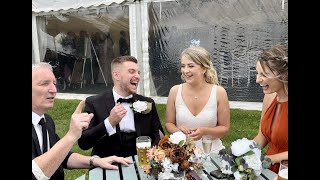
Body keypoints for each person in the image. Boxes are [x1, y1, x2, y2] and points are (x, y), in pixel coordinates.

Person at [32, 62, 132, 180]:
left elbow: (61, 155)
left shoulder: (46, 121)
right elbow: (34, 173)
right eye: (44, 84)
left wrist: (95, 161)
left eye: (54, 83)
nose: (53, 89)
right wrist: (71, 136)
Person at [78, 55, 164, 158]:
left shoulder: (147, 103)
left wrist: (153, 150)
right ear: (116, 75)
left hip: (142, 161)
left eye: (138, 72)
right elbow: (83, 143)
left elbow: (158, 137)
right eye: (131, 71)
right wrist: (109, 122)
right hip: (108, 163)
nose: (137, 76)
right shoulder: (94, 102)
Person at [165, 46, 230, 153]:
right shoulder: (175, 91)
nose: (185, 71)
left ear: (204, 68)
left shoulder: (219, 92)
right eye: (183, 66)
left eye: (191, 66)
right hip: (182, 153)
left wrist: (204, 131)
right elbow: (169, 123)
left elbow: (224, 128)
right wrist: (178, 131)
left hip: (211, 151)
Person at [253, 44, 288, 173]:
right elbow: (262, 136)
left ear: (284, 75)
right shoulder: (269, 97)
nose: (257, 80)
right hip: (269, 168)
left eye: (264, 74)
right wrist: (243, 151)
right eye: (257, 73)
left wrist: (270, 159)